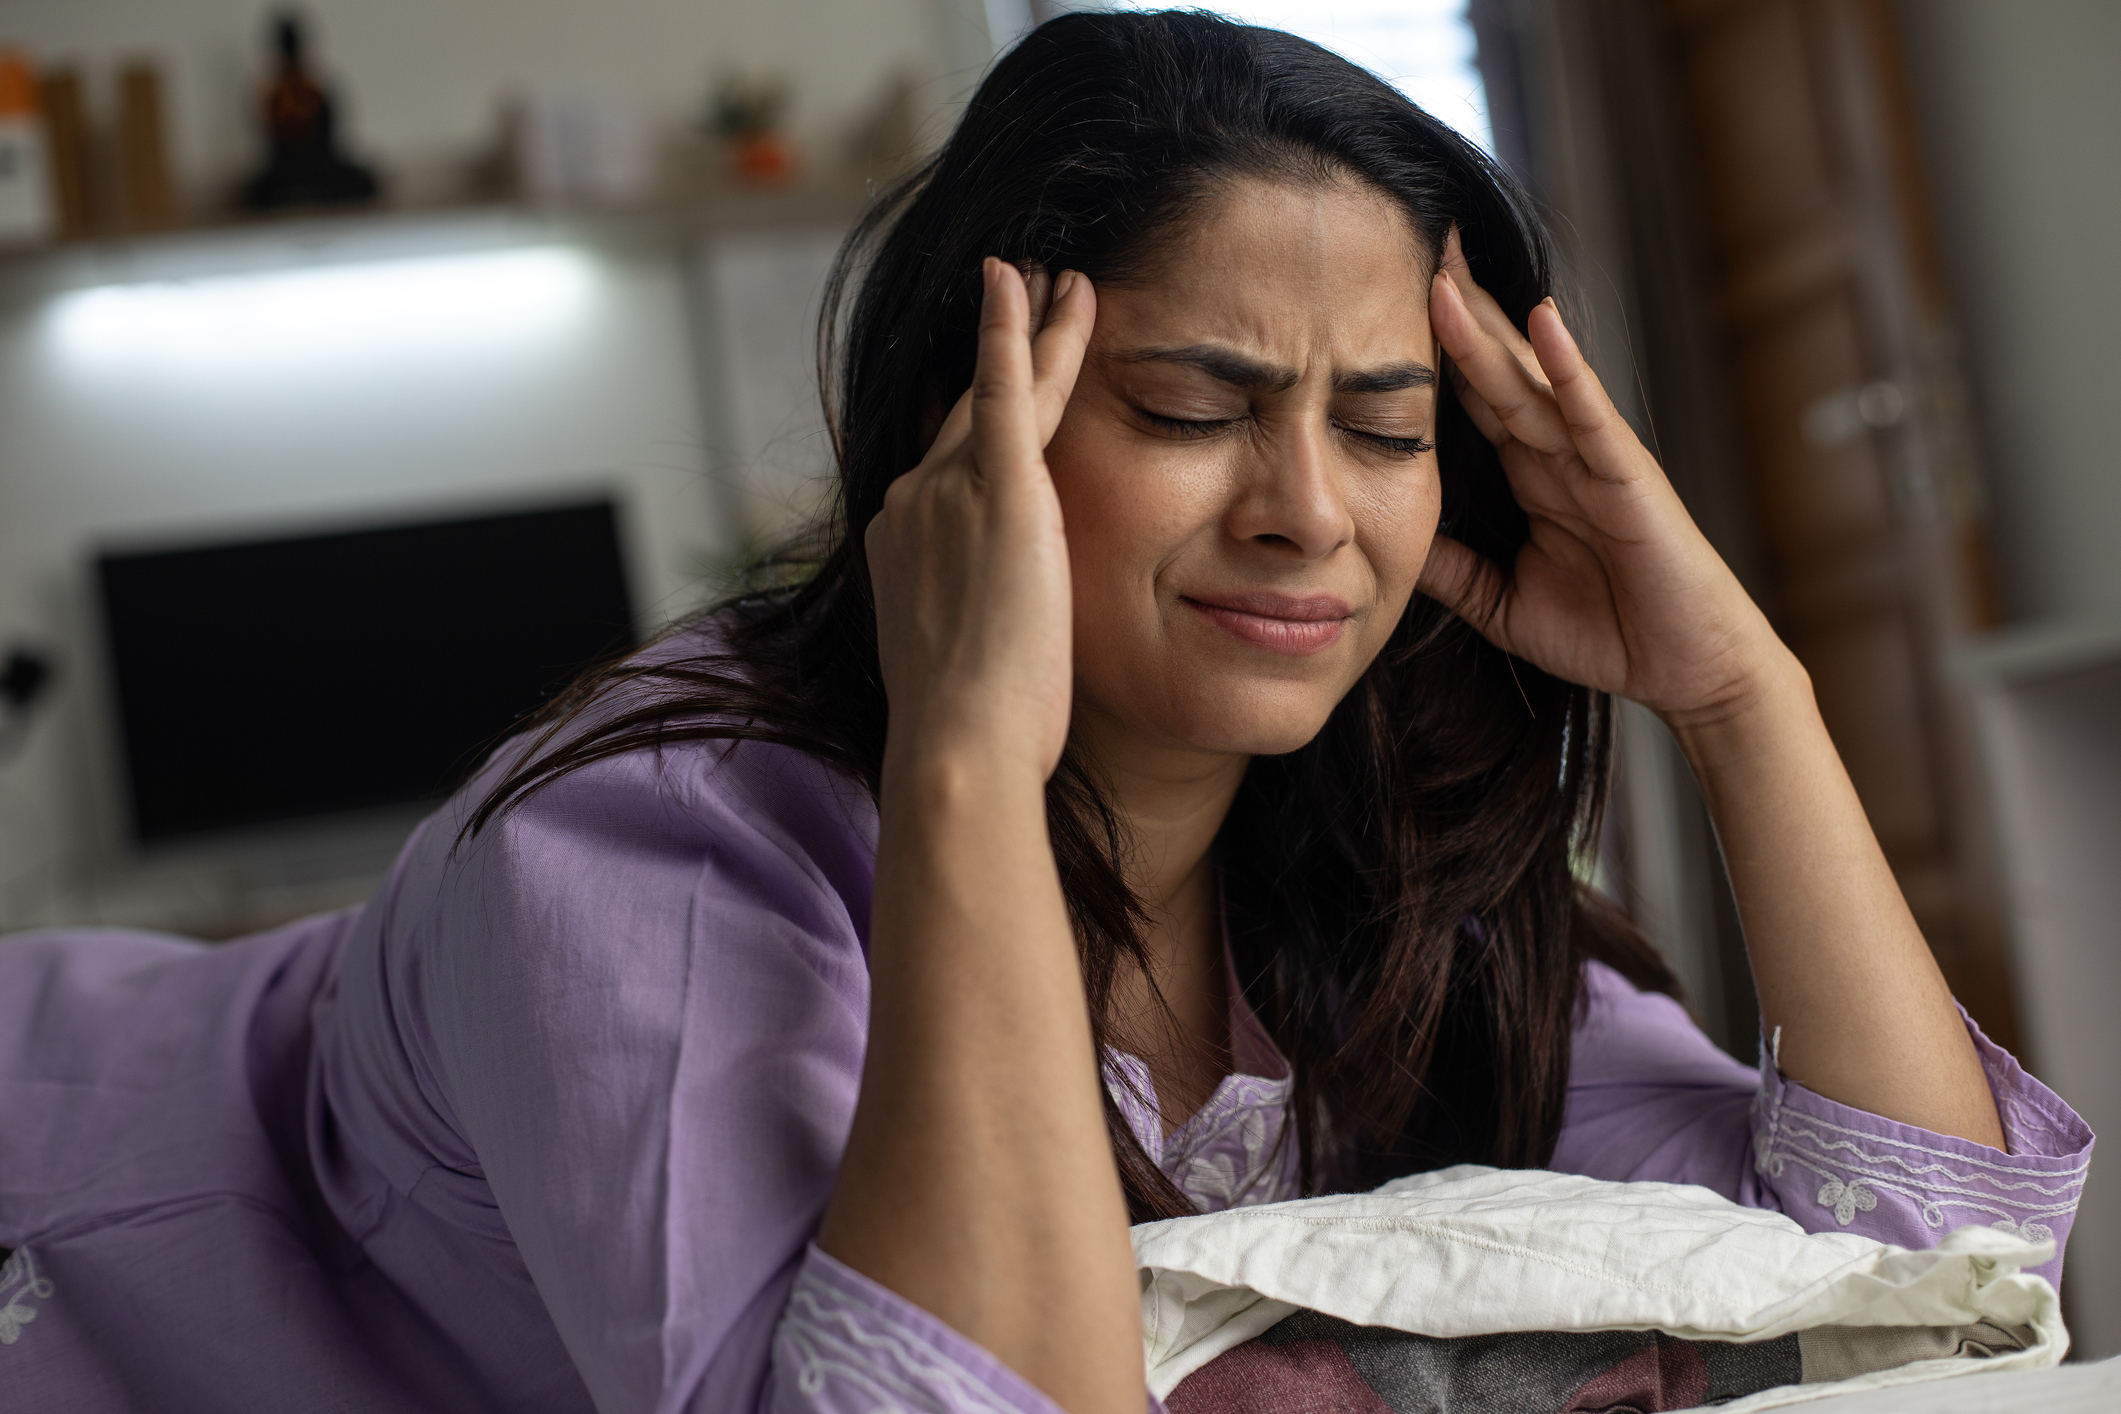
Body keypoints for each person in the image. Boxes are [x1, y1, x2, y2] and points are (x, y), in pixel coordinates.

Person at [0, 12, 2090, 1414]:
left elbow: (1924, 1284)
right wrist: (970, 765)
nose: (1304, 515)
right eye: (1194, 408)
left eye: (1385, 428)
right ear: (956, 435)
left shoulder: (1349, 847)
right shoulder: (642, 843)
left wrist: (1742, 689)